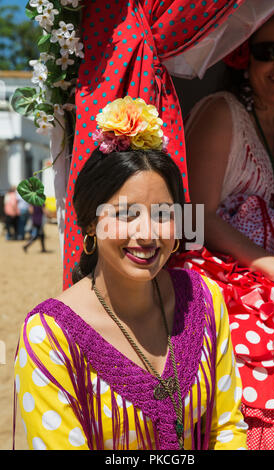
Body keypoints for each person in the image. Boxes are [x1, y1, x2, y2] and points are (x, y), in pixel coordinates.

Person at [13, 97, 247, 450]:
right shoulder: (49, 338)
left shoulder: (204, 300)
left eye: (164, 213)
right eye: (126, 214)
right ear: (91, 222)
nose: (148, 233)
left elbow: (227, 427)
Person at [169, 2, 274, 451]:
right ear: (243, 56)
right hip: (218, 271)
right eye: (270, 51)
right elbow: (196, 216)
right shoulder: (221, 113)